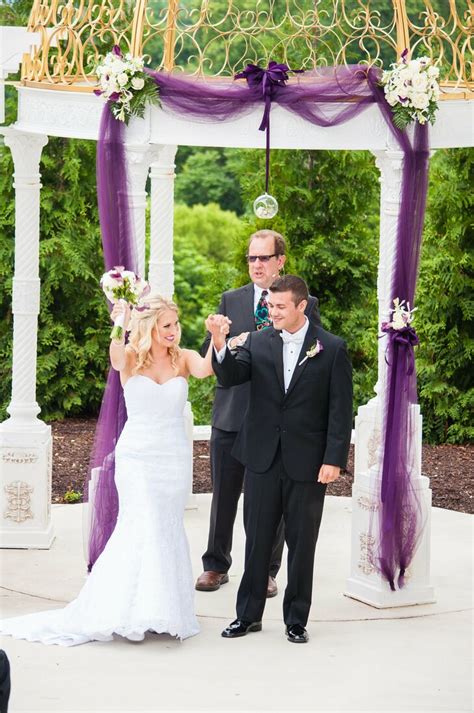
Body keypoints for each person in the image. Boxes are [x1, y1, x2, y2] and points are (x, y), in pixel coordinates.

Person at [0, 295, 222, 646]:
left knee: (165, 527)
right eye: (166, 325)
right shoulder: (131, 357)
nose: (174, 331)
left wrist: (217, 339)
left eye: (176, 325)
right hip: (137, 458)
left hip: (172, 460)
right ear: (150, 327)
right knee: (141, 524)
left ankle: (163, 609)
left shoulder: (183, 358)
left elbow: (207, 369)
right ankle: (127, 609)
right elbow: (115, 356)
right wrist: (121, 321)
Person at [208, 275, 352, 643]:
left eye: (280, 307)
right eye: (270, 306)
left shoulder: (331, 348)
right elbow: (229, 377)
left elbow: (339, 410)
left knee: (302, 545)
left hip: (308, 463)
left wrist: (333, 459)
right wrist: (220, 343)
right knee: (256, 540)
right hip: (261, 458)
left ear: (302, 306)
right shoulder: (257, 341)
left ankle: (296, 620)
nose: (272, 312)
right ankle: (247, 616)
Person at [195, 230, 320, 598]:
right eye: (252, 258)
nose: (257, 265)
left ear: (280, 260)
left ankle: (266, 570)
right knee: (224, 495)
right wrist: (228, 341)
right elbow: (211, 353)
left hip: (276, 421)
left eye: (264, 258)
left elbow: (315, 351)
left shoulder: (304, 303)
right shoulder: (230, 300)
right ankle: (215, 564)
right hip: (231, 414)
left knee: (272, 502)